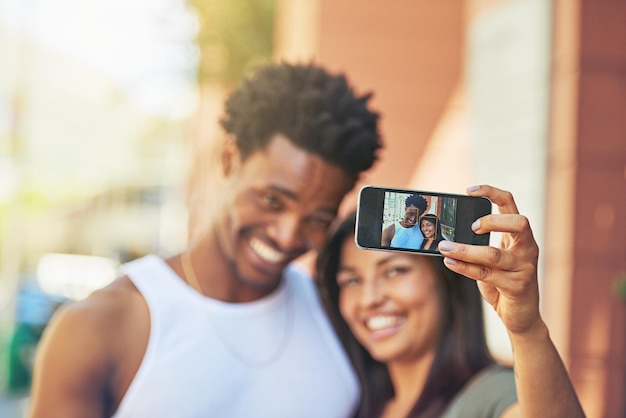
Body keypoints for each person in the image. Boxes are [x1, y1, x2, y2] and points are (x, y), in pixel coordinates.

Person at [28, 62, 383, 418]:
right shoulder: (102, 326)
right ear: (229, 160)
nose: (287, 234)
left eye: (318, 218)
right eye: (272, 201)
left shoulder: (342, 316)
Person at [316, 185, 586, 418]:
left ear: (447, 282)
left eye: (395, 270)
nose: (370, 298)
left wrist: (526, 330)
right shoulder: (352, 403)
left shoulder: (490, 395)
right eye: (351, 281)